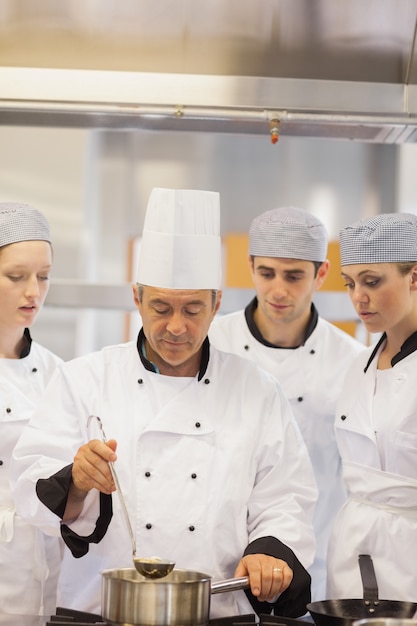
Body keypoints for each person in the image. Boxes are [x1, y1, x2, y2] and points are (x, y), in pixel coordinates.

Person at [10, 188, 317, 619]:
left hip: (218, 611)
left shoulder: (256, 390)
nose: (176, 327)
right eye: (160, 307)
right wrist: (76, 480)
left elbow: (286, 497)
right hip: (101, 610)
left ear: (216, 304)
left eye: (193, 309)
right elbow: (29, 487)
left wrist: (269, 551)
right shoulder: (84, 379)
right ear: (137, 299)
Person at [209, 206, 364, 602]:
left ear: (322, 274)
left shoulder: (352, 362)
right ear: (250, 266)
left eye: (294, 276)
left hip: (317, 558)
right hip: (222, 560)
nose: (278, 290)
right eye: (267, 273)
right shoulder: (212, 345)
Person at [326, 212, 417, 601]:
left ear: (414, 277)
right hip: (352, 554)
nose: (357, 297)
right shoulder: (354, 367)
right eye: (350, 283)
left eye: (372, 281)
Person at [0, 203, 63, 615]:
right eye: (16, 277)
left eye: (43, 277)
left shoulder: (57, 373)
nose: (33, 292)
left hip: (44, 577)